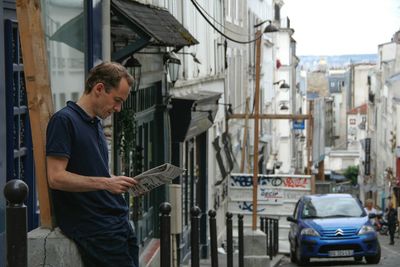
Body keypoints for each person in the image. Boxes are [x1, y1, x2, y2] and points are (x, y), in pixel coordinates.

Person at [46, 62, 139, 267]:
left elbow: (92, 171)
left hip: (116, 222)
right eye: (116, 100)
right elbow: (56, 177)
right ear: (98, 89)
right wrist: (106, 183)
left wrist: (116, 181)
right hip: (95, 228)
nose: (118, 108)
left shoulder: (95, 122)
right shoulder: (64, 121)